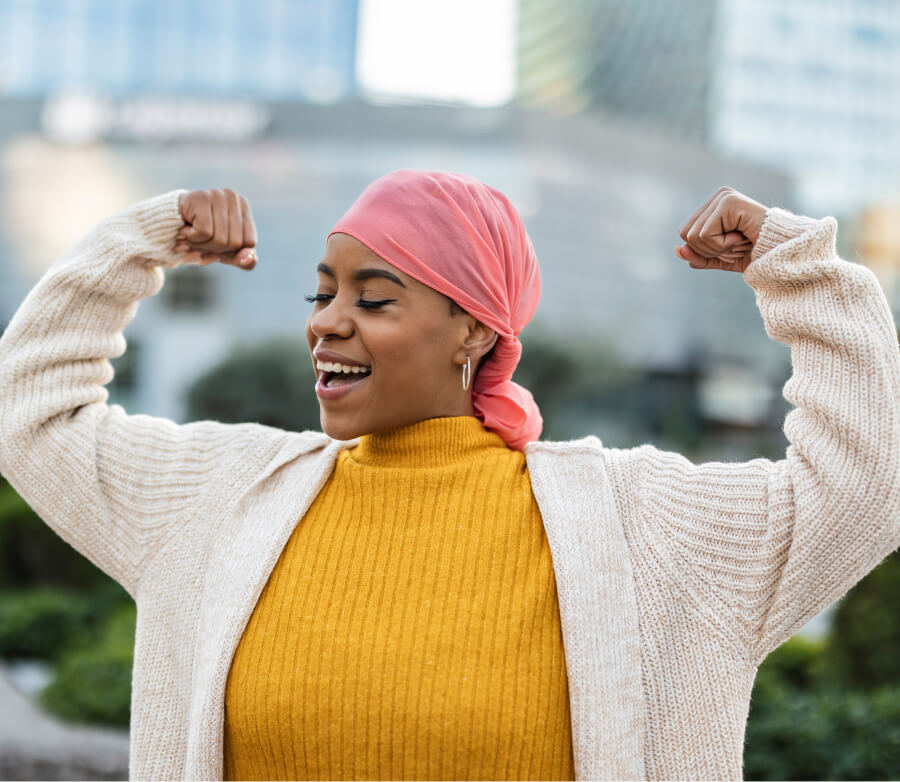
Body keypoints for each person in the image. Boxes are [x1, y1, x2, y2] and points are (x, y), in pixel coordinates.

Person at [0, 169, 897, 782]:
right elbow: (33, 416)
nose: (327, 324)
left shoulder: (643, 527)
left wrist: (801, 271)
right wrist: (138, 242)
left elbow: (863, 484)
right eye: (323, 294)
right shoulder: (220, 497)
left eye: (375, 298)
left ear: (475, 331)